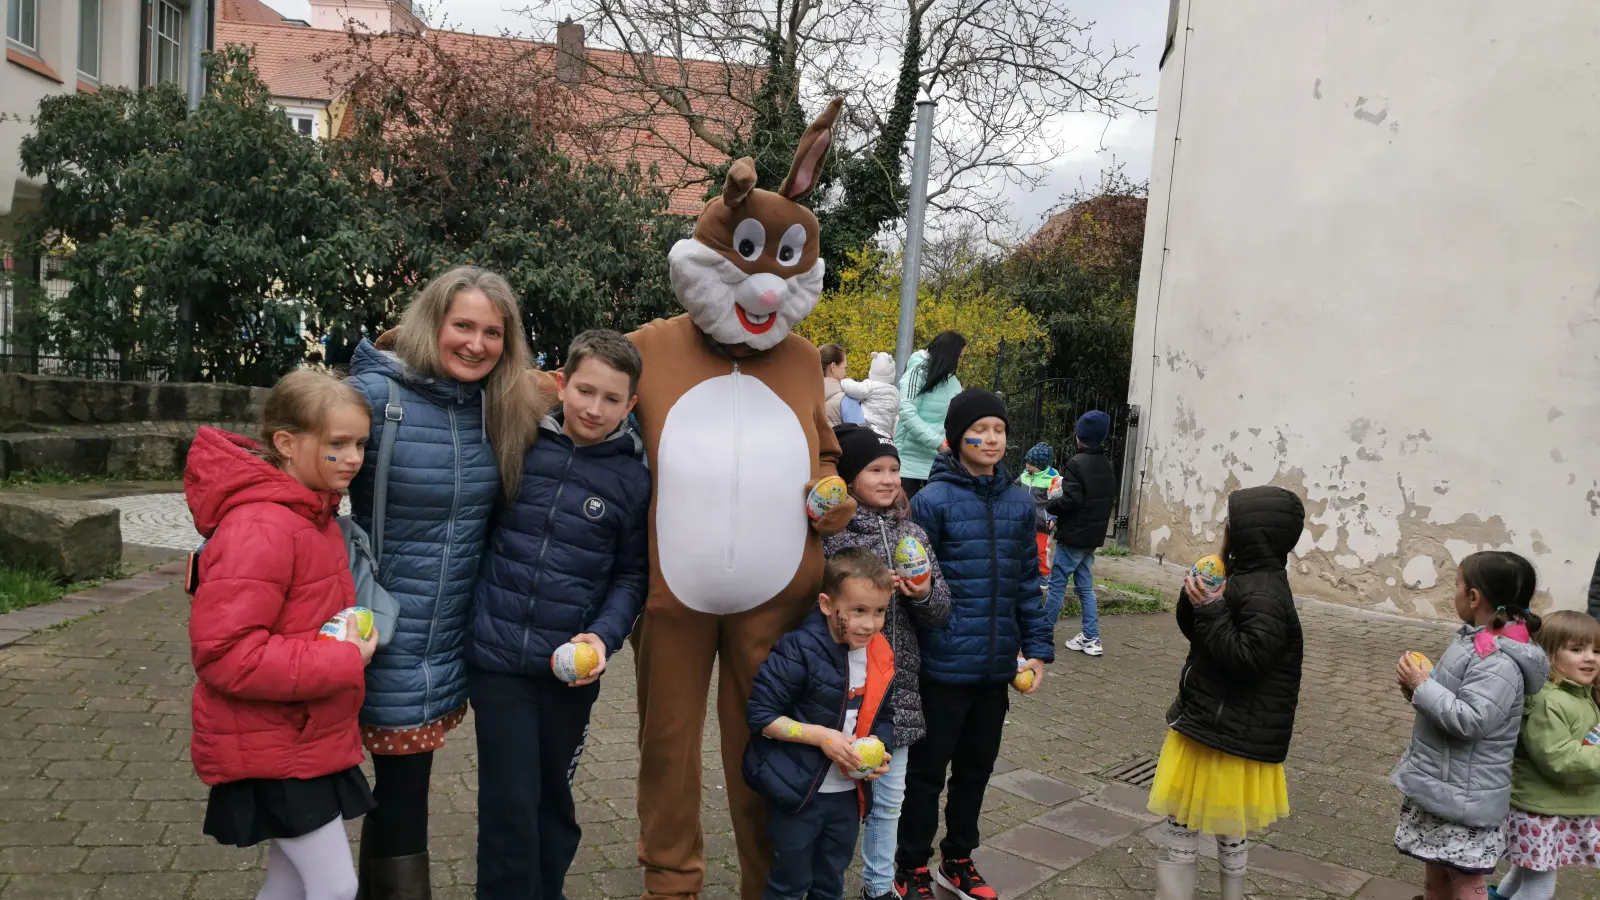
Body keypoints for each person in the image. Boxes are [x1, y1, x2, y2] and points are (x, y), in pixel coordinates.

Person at [346, 266, 539, 897]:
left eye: (492, 332)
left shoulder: (499, 405)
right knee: (400, 797)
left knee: (400, 794)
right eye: (463, 326)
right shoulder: (375, 396)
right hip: (380, 633)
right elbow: (293, 473)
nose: (476, 344)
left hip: (452, 636)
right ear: (433, 321)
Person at [465, 330, 652, 899]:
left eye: (611, 399)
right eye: (585, 391)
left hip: (569, 670)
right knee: (509, 801)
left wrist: (602, 636)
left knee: (552, 797)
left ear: (631, 405)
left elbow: (632, 576)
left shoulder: (634, 479)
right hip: (497, 658)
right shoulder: (517, 445)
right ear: (562, 384)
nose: (595, 409)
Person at [185, 370, 381, 900]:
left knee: (289, 883)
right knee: (336, 886)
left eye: (360, 443)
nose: (354, 458)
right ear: (286, 444)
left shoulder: (313, 515)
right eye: (337, 444)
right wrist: (341, 661)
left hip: (300, 739)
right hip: (273, 745)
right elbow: (226, 654)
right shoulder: (263, 526)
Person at [897, 388, 1053, 900]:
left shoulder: (1017, 503)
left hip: (995, 670)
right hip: (941, 670)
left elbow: (1028, 586)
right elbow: (915, 587)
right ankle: (910, 866)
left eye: (999, 430)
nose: (990, 439)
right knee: (925, 776)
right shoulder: (931, 502)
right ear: (956, 437)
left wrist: (1038, 650)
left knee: (976, 772)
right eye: (980, 429)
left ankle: (958, 859)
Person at [1147, 486, 1306, 900]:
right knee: (1201, 823)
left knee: (1205, 823)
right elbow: (1204, 641)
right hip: (1211, 723)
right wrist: (1194, 602)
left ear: (1251, 534)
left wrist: (1212, 610)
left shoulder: (1264, 593)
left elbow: (1246, 656)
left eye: (1231, 523)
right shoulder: (1244, 578)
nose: (1225, 530)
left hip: (1227, 732)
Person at [821, 424, 952, 900]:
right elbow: (816, 608)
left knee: (890, 801)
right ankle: (824, 885)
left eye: (895, 469)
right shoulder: (832, 538)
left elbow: (940, 610)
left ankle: (879, 888)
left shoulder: (912, 532)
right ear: (851, 478)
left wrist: (922, 593)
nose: (889, 478)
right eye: (875, 469)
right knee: (836, 800)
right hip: (844, 689)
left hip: (899, 691)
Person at [1390, 551, 1548, 900]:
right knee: (1436, 878)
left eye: (1458, 585)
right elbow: (1453, 700)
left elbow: (1472, 719)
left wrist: (1424, 687)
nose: (1455, 592)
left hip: (1465, 798)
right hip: (1444, 787)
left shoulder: (1499, 660)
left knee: (1465, 884)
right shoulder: (1478, 641)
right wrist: (1420, 688)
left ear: (1474, 597)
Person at [744, 548, 896, 900]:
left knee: (830, 883)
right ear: (827, 605)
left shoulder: (879, 651)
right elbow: (762, 717)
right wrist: (821, 737)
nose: (869, 624)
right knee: (789, 884)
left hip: (846, 797)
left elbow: (884, 715)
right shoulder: (799, 649)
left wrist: (881, 748)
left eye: (879, 612)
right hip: (798, 794)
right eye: (858, 610)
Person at [1491, 610, 1600, 900]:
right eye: (1577, 650)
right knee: (1539, 889)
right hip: (1540, 811)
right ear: (1549, 654)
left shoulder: (1577, 693)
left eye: (1596, 650)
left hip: (1549, 807)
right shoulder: (1548, 701)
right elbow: (1559, 759)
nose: (1590, 657)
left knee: (1521, 874)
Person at [1044, 411, 1118, 653]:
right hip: (1092, 537)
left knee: (1056, 585)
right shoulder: (1106, 464)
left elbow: (1071, 500)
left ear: (1078, 437)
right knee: (1085, 586)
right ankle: (1091, 637)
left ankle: (1042, 634)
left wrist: (1052, 503)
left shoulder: (1076, 464)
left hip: (1073, 536)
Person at [894, 331, 966, 500]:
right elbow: (907, 413)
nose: (959, 362)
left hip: (937, 464)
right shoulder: (916, 373)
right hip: (908, 463)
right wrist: (937, 443)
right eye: (959, 357)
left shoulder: (953, 383)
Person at [1017, 442, 1060, 577]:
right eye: (1026, 462)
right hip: (1023, 521)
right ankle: (1024, 572)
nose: (1027, 465)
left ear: (1040, 465)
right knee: (1022, 548)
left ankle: (1043, 575)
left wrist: (1053, 517)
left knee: (1041, 550)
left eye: (1031, 463)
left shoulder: (1052, 480)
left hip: (1042, 523)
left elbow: (1057, 502)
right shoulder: (1024, 476)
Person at [840, 351, 901, 438]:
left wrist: (845, 380)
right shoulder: (895, 393)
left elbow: (854, 388)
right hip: (884, 432)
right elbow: (896, 416)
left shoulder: (870, 386)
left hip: (868, 427)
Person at [822, 343, 853, 426]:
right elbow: (862, 435)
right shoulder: (846, 400)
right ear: (833, 367)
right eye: (844, 368)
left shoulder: (804, 398)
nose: (845, 373)